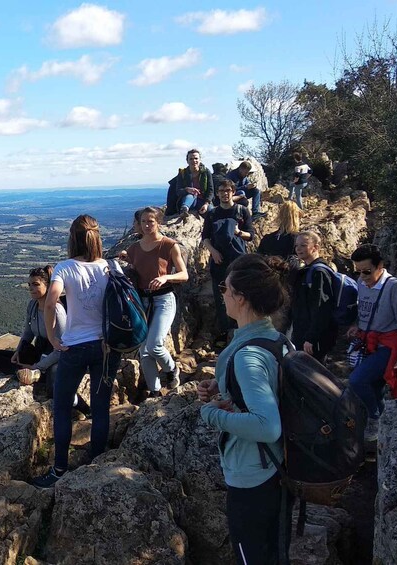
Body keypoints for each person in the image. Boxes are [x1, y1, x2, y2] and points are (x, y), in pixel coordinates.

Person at [196, 254, 292, 565]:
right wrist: (224, 388)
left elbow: (267, 426)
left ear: (241, 297)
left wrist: (211, 414)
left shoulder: (247, 355)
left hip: (252, 476)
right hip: (279, 469)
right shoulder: (277, 340)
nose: (221, 293)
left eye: (226, 288)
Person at [30, 215, 121, 488]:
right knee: (101, 405)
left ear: (72, 238)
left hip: (75, 346)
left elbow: (50, 302)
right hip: (106, 346)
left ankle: (59, 468)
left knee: (61, 405)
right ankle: (96, 460)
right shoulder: (109, 266)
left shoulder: (65, 267)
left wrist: (53, 337)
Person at [0, 266, 91, 414]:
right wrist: (18, 351)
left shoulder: (57, 310)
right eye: (29, 284)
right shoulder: (33, 305)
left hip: (59, 357)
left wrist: (37, 367)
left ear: (47, 286)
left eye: (36, 284)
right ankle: (32, 374)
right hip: (40, 351)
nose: (31, 288)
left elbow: (61, 349)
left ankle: (85, 409)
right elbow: (28, 333)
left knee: (54, 389)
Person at [347, 244, 397, 442]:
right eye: (358, 271)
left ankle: (374, 418)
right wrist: (358, 326)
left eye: (367, 271)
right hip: (369, 341)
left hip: (390, 346)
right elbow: (364, 311)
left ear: (380, 266)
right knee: (374, 387)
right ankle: (384, 429)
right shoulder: (362, 283)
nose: (363, 276)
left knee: (357, 381)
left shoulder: (395, 288)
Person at [120, 206, 189, 398]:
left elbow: (184, 274)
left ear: (159, 222)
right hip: (142, 301)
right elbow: (137, 270)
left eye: (151, 221)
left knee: (155, 344)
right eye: (143, 221)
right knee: (144, 350)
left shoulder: (169, 245)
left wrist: (166, 278)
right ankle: (155, 390)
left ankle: (172, 369)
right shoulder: (134, 248)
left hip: (164, 299)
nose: (147, 225)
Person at [202, 180, 255, 348]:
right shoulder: (212, 214)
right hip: (219, 261)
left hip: (238, 261)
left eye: (228, 190)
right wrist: (213, 252)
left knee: (241, 296)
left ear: (233, 192)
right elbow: (205, 237)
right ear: (217, 193)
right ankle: (226, 332)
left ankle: (242, 330)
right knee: (222, 298)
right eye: (221, 191)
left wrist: (240, 233)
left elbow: (251, 235)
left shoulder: (242, 211)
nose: (225, 193)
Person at [291, 231, 337, 362]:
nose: (298, 249)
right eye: (296, 246)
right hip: (303, 334)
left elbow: (322, 307)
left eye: (303, 245)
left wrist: (311, 337)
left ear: (315, 247)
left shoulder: (319, 272)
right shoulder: (306, 270)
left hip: (313, 339)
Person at [168, 149, 214, 219]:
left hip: (202, 200)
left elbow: (211, 190)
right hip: (187, 200)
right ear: (187, 161)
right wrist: (187, 190)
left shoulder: (206, 172)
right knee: (190, 195)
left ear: (200, 160)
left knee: (212, 213)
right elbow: (178, 191)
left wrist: (206, 204)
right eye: (191, 159)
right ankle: (184, 210)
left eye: (196, 158)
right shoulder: (182, 173)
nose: (194, 161)